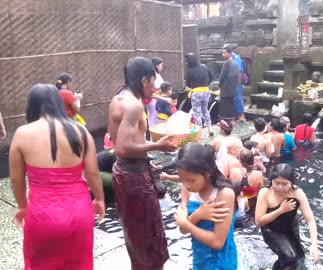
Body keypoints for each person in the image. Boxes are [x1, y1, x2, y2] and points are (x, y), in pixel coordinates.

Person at [9, 84, 105, 269]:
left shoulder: (22, 134)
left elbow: (16, 179)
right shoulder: (81, 132)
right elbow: (93, 173)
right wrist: (100, 199)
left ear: (32, 106)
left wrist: (22, 206)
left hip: (41, 216)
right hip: (79, 214)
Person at [108, 57, 177, 269]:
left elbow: (126, 143)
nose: (155, 87)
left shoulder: (118, 98)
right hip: (134, 178)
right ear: (144, 80)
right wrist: (158, 146)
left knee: (135, 235)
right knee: (151, 238)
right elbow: (122, 147)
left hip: (124, 171)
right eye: (153, 81)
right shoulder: (134, 105)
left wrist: (147, 156)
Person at [175, 143, 237, 269]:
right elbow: (183, 229)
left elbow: (218, 242)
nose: (186, 185)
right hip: (200, 256)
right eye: (182, 179)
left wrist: (187, 223)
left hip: (221, 261)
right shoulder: (188, 189)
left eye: (191, 180)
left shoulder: (223, 194)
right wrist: (198, 215)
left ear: (207, 173)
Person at [255, 164, 320, 269]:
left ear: (291, 182)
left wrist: (314, 245)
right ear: (271, 180)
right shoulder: (265, 192)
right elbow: (258, 221)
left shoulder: (297, 194)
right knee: (289, 258)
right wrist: (281, 210)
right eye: (276, 183)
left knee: (299, 258)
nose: (280, 187)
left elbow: (310, 220)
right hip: (271, 230)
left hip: (290, 229)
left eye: (284, 184)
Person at [185, 53, 214, 135]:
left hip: (196, 93)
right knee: (205, 110)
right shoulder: (204, 66)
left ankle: (199, 132)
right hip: (206, 91)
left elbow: (187, 84)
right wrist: (206, 84)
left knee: (197, 112)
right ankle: (210, 128)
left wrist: (194, 85)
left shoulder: (190, 71)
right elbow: (211, 77)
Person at [223, 44, 246, 122]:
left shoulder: (236, 58)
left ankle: (242, 115)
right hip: (230, 82)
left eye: (224, 52)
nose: (223, 54)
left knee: (238, 98)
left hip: (236, 82)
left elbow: (238, 70)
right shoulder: (229, 59)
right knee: (233, 98)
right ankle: (236, 115)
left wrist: (238, 82)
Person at [218, 46, 239, 121]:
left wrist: (219, 84)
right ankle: (232, 119)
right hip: (232, 87)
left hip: (226, 88)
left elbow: (222, 76)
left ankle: (224, 120)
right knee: (230, 104)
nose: (223, 54)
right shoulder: (235, 63)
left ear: (229, 53)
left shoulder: (227, 63)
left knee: (224, 105)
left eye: (224, 53)